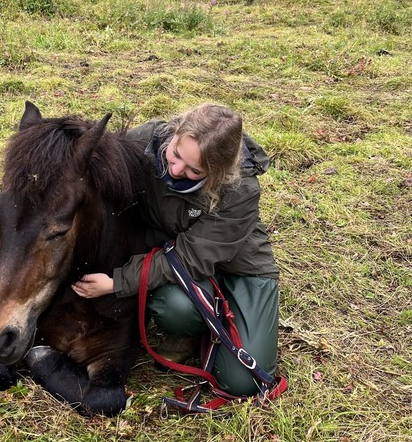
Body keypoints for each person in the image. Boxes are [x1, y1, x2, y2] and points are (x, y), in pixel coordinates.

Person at [72, 103, 280, 398]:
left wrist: (117, 282)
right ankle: (189, 331)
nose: (177, 169)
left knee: (244, 382)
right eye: (176, 154)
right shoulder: (144, 141)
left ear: (218, 172)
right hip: (173, 250)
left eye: (195, 170)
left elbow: (191, 258)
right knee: (174, 306)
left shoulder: (240, 189)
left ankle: (210, 321)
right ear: (176, 133)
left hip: (237, 269)